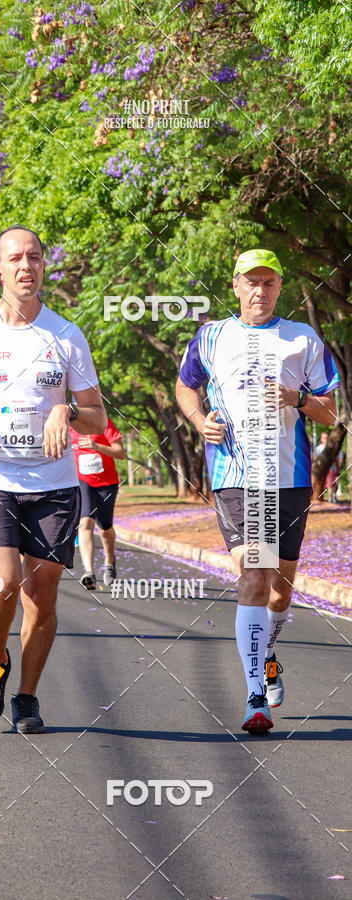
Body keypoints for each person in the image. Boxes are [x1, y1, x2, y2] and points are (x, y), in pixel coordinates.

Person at [0, 224, 106, 733]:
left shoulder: (66, 335)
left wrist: (67, 412)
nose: (25, 265)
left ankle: (27, 697)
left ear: (43, 265)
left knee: (41, 596)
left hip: (54, 483)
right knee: (3, 583)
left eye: (33, 257)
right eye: (15, 258)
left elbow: (97, 414)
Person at [175, 248, 340, 734]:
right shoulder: (212, 336)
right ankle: (254, 699)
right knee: (253, 574)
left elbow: (331, 412)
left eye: (268, 282)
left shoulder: (302, 338)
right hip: (236, 476)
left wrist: (297, 398)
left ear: (279, 287)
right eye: (251, 282)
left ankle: (268, 651)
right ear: (236, 286)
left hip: (287, 477)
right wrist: (198, 419)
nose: (259, 291)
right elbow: (185, 387)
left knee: (280, 587)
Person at [70, 417, 125, 590]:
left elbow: (120, 453)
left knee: (105, 528)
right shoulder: (69, 425)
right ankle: (89, 571)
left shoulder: (103, 423)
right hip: (82, 480)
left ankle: (110, 561)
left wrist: (96, 446)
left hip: (106, 483)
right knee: (85, 522)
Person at [314, 431, 343, 503]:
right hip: (324, 470)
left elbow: (337, 459)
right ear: (321, 439)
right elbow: (315, 459)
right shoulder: (318, 448)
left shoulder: (333, 447)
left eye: (327, 438)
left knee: (335, 484)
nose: (326, 439)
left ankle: (334, 496)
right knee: (330, 484)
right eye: (324, 438)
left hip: (333, 469)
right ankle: (330, 498)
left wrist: (338, 468)